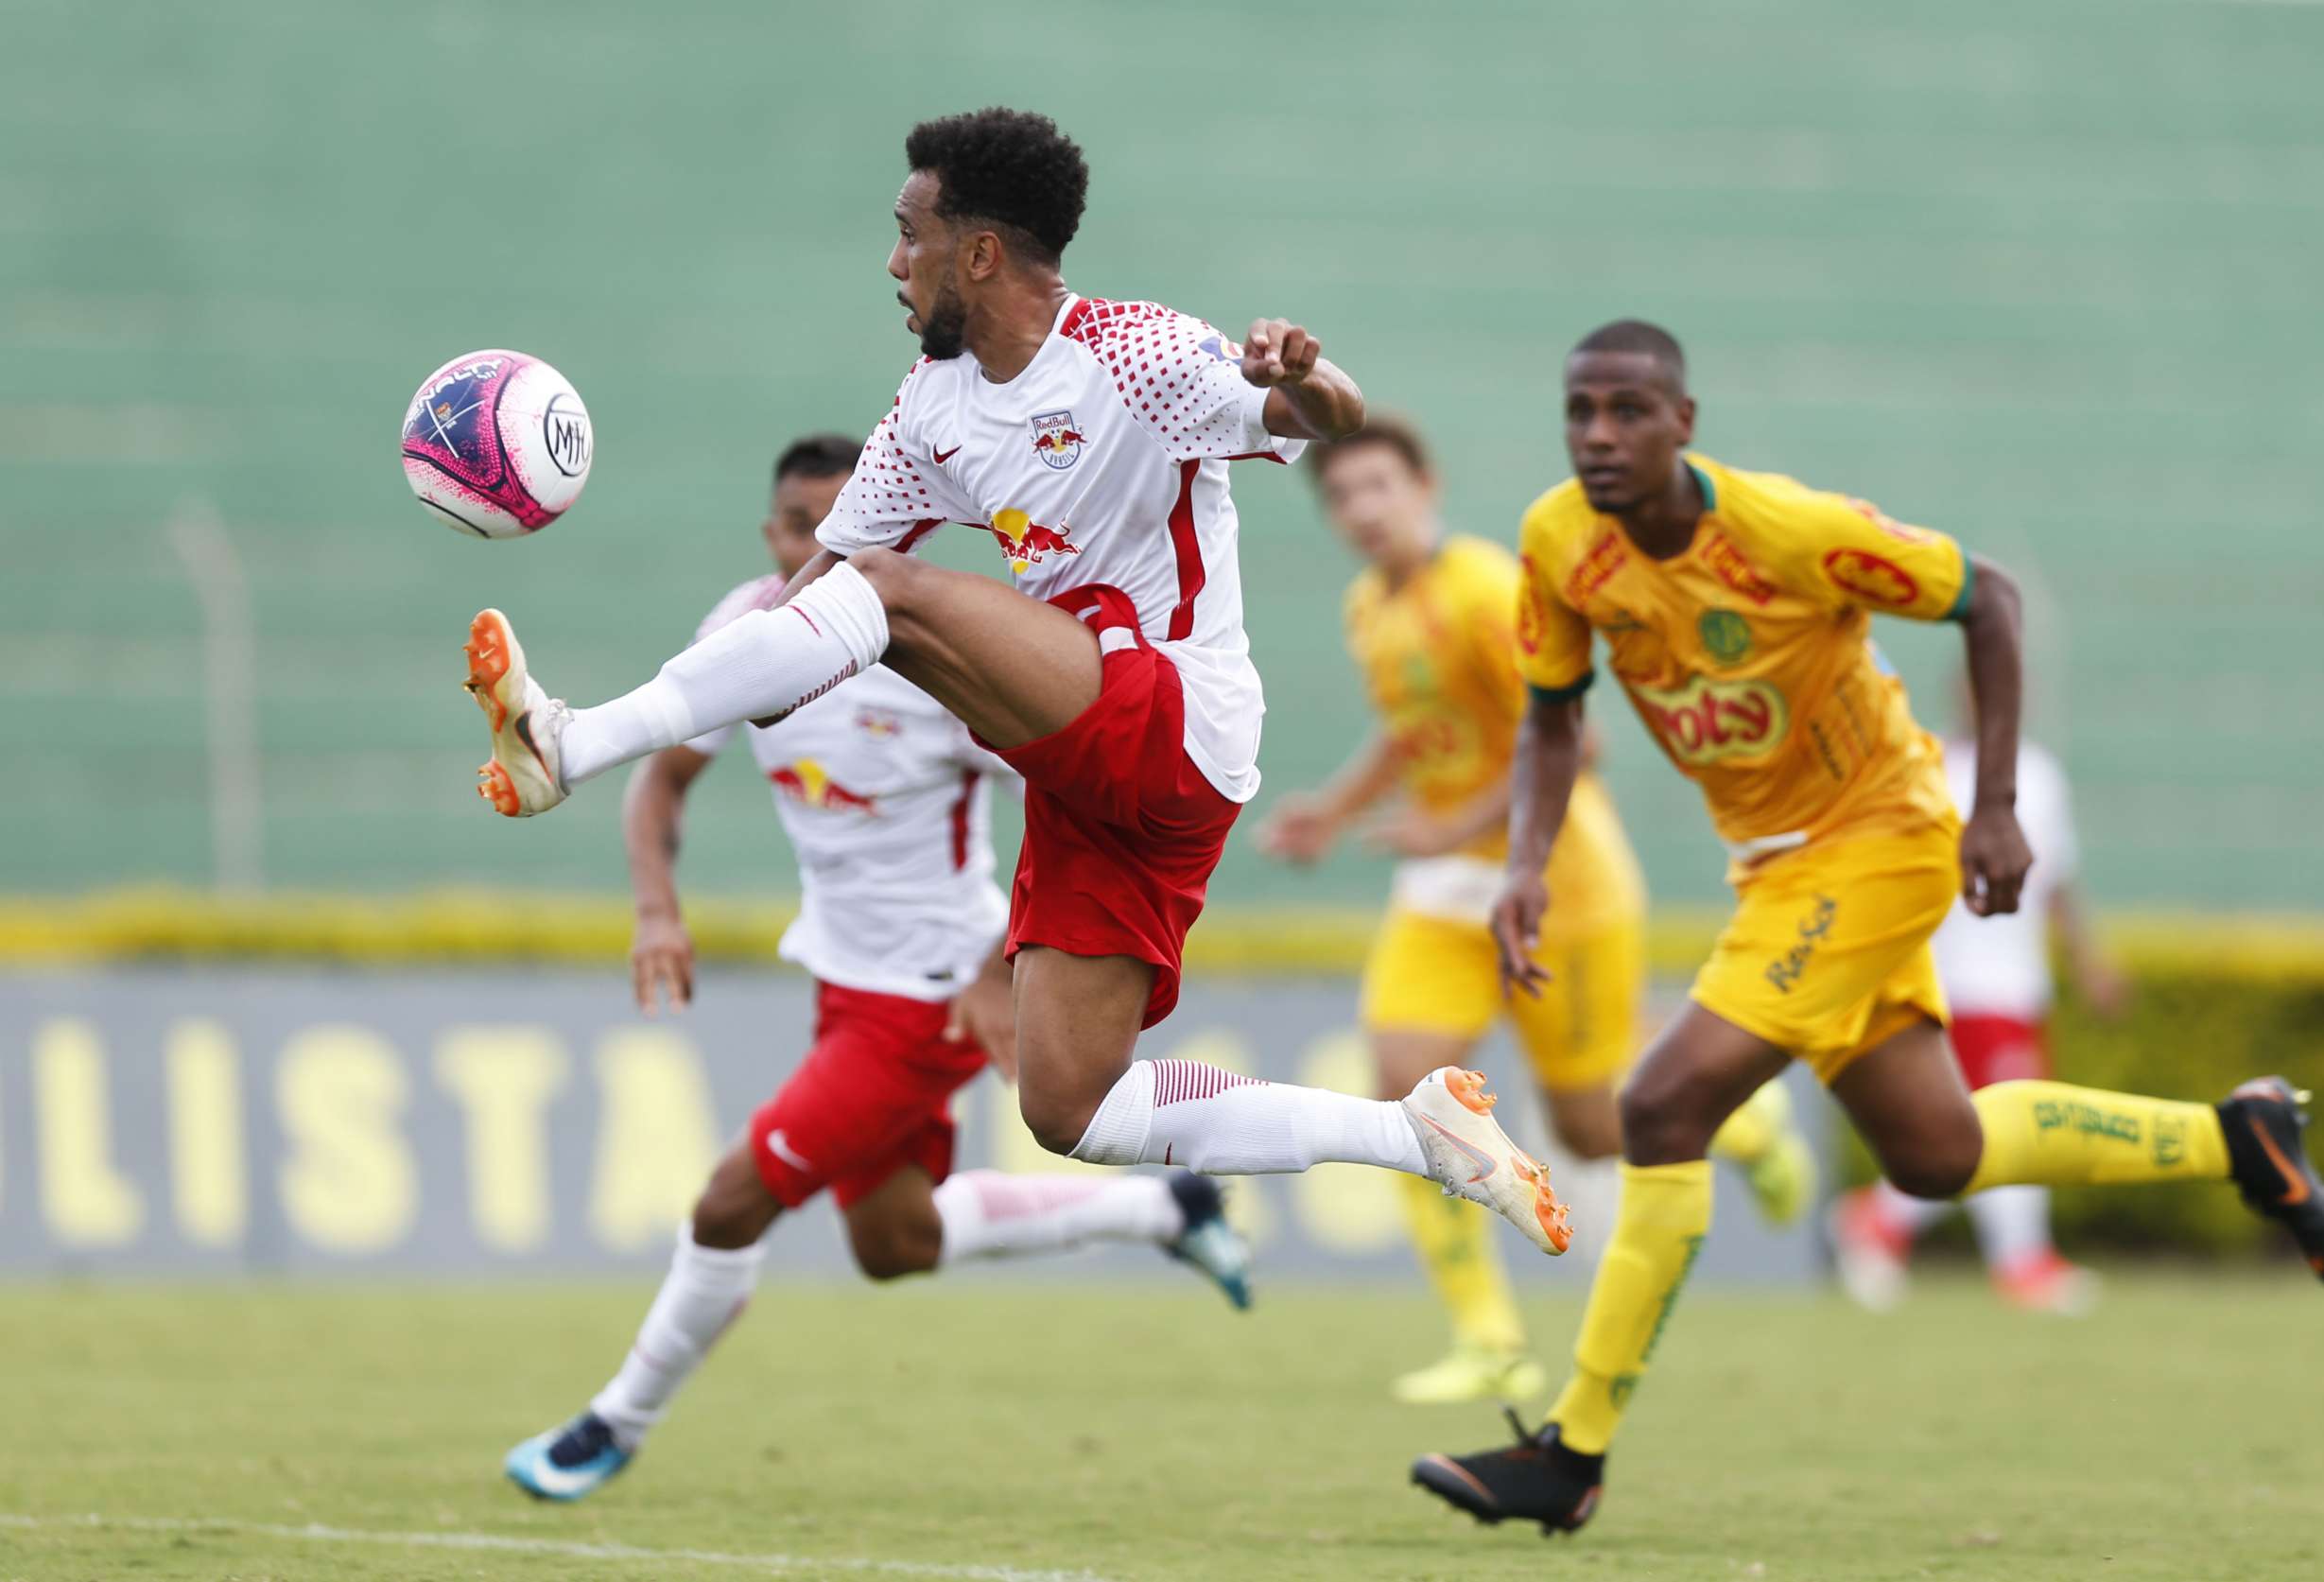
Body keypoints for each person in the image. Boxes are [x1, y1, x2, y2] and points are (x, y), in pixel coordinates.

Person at [459, 109, 1575, 1259]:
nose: (894, 263)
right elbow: (816, 598)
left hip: (1173, 710)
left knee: (896, 599)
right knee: (1070, 1108)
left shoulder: (1133, 351)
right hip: (1096, 771)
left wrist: (1312, 372)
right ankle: (1415, 1131)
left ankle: (571, 744)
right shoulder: (929, 408)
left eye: (910, 234)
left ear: (979, 252)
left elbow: (1314, 415)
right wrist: (756, 681)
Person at [1410, 321, 2324, 1536]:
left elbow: (1989, 599)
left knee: (1658, 1107)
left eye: (1628, 411)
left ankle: (1571, 1449)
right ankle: (2238, 1139)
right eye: (1580, 412)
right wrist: (1525, 864)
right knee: (1936, 1153)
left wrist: (1997, 807)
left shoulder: (1789, 532)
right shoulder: (1557, 542)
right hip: (1777, 869)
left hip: (1882, 841)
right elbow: (1550, 713)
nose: (1599, 436)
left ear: (1682, 422)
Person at [505, 437, 1251, 1503]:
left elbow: (1075, 807)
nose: (826, 545)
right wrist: (657, 910)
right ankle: (1163, 1212)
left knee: (728, 1205)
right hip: (844, 981)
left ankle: (613, 1421)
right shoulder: (745, 629)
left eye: (844, 524)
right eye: (803, 527)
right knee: (895, 1238)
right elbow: (664, 779)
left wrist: (1003, 971)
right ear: (774, 539)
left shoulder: (929, 662)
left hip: (930, 998)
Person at [1257, 417, 1814, 1405]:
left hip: (1555, 881)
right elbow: (1409, 728)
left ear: (1425, 485)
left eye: (1380, 485)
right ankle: (1490, 1338)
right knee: (1405, 1091)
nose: (1362, 510)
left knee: (1595, 1128)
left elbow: (1576, 743)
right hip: (1442, 898)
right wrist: (1333, 813)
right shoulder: (1366, 608)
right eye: (1342, 496)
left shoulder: (1481, 587)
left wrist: (1451, 824)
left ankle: (1748, 1124)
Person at [1830, 719, 2128, 1315]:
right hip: (1956, 980)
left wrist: (2087, 961)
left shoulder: (2039, 775)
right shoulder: (1929, 768)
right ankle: (2017, 1258)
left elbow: (2056, 881)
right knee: (2012, 1125)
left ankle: (1881, 1218)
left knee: (1985, 1130)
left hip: (2018, 984)